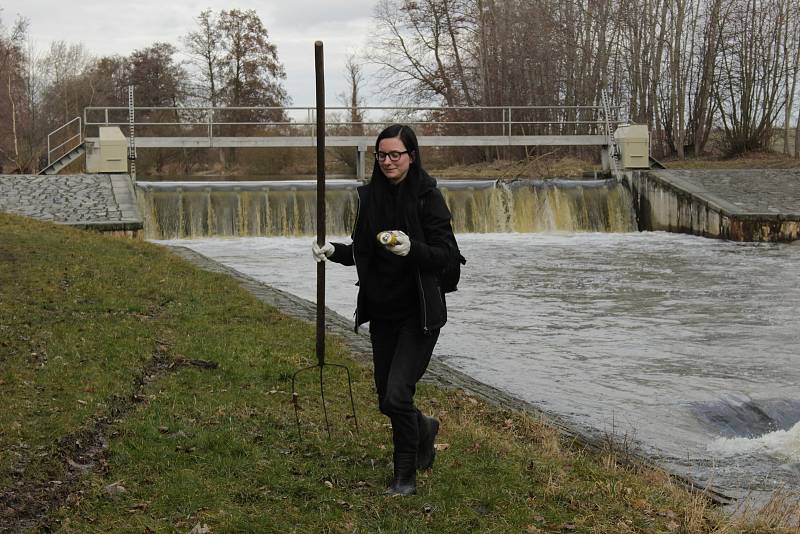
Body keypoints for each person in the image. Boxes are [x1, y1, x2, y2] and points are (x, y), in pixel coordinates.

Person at [312, 124, 458, 496]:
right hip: (382, 311)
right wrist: (334, 252)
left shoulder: (428, 197)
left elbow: (447, 256)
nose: (388, 161)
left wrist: (414, 249)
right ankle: (423, 427)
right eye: (382, 155)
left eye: (396, 154)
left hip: (419, 313)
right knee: (385, 399)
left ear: (412, 156)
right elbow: (363, 251)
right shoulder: (370, 197)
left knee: (397, 396)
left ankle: (404, 476)